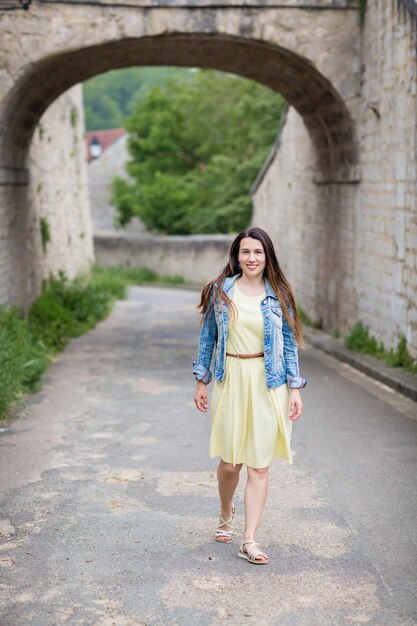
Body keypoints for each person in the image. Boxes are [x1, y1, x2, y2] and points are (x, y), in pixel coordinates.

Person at [193, 227, 307, 565]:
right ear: (237, 256)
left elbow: (288, 345)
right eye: (246, 252)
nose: (252, 258)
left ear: (267, 256)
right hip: (230, 379)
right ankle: (225, 511)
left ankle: (250, 540)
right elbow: (207, 338)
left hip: (268, 383)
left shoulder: (280, 295)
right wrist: (202, 380)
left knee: (259, 466)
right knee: (230, 464)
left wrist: (295, 388)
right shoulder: (220, 292)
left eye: (258, 252)